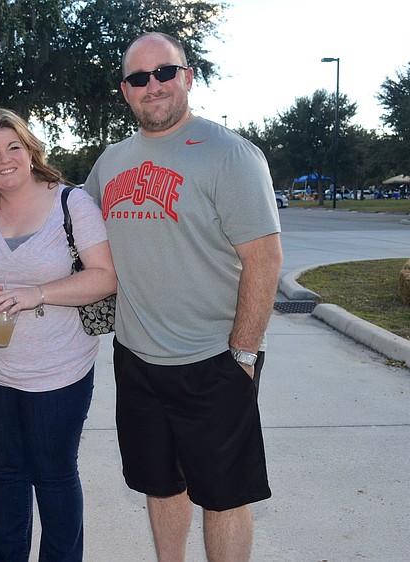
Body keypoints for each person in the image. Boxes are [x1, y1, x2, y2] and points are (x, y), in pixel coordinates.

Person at [83, 32, 283, 561]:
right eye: (139, 78)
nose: (154, 86)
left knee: (224, 498)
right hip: (137, 360)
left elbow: (265, 259)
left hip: (213, 359)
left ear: (188, 77)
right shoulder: (110, 163)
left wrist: (243, 353)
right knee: (161, 485)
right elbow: (73, 236)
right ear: (124, 90)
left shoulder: (231, 155)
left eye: (165, 73)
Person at [0, 108, 117, 561]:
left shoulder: (71, 203)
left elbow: (104, 277)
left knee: (55, 475)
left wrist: (36, 293)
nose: (3, 160)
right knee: (4, 476)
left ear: (30, 150)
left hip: (58, 371)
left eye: (12, 147)